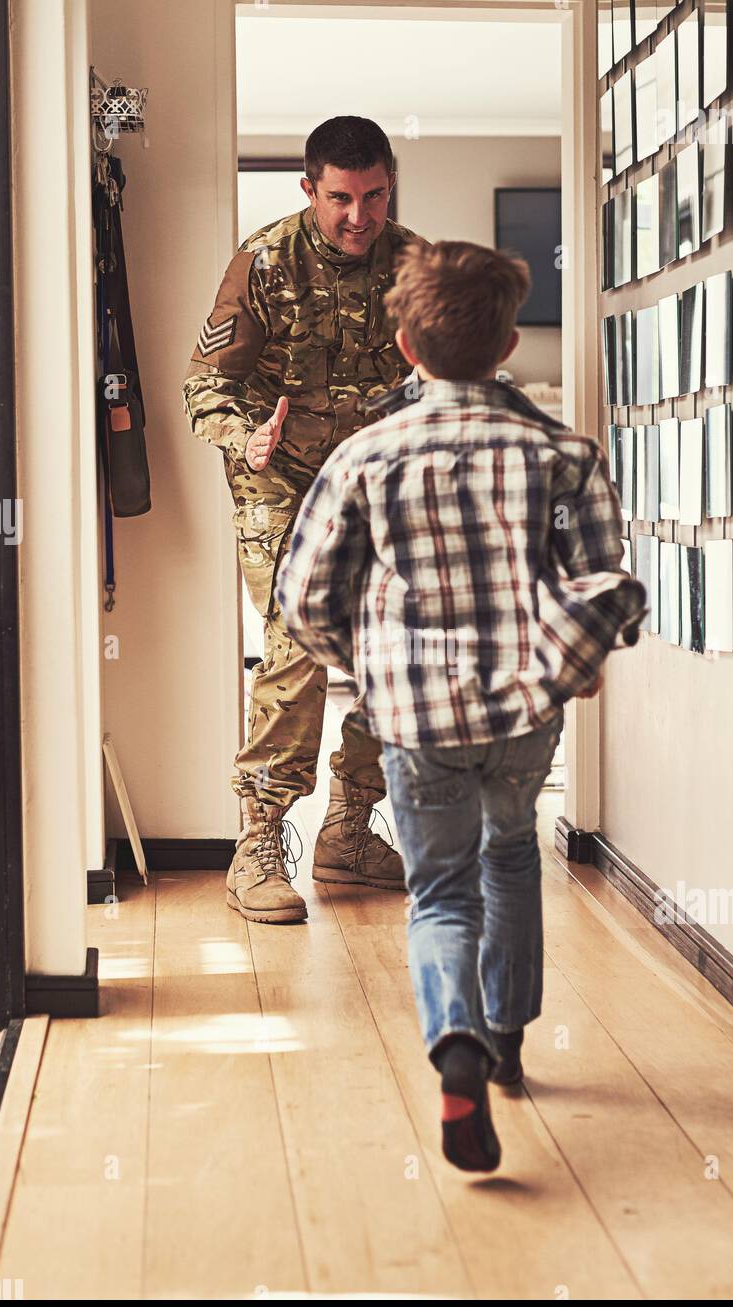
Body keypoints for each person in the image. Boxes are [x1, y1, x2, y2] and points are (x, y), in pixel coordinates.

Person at [274, 240, 647, 1173]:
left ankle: (454, 1046)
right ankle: (508, 1041)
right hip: (523, 714)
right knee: (511, 854)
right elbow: (606, 579)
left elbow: (303, 594)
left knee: (440, 891)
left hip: (412, 716)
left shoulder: (366, 455)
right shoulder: (561, 452)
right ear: (508, 340)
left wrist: (363, 674)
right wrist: (568, 658)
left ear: (404, 345)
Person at [182, 116, 428, 926]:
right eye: (340, 199)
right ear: (308, 190)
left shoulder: (415, 263)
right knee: (301, 634)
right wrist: (241, 433)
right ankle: (257, 839)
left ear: (390, 183)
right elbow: (206, 388)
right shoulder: (264, 262)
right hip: (278, 472)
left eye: (374, 196)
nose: (358, 216)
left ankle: (351, 829)